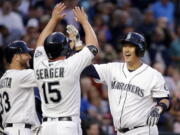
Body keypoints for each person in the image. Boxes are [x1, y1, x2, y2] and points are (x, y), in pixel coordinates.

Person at [83, 32, 170, 135]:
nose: (126, 49)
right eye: (125, 46)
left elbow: (165, 99)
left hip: (143, 130)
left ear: (140, 49)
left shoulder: (153, 75)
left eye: (131, 46)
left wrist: (158, 109)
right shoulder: (113, 69)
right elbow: (86, 68)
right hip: (120, 132)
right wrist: (78, 45)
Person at [33, 3, 98, 135]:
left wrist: (53, 20)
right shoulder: (70, 65)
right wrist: (85, 22)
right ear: (64, 49)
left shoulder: (39, 64)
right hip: (66, 126)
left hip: (46, 126)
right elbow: (93, 47)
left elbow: (40, 43)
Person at [0, 40, 40, 135]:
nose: (29, 57)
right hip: (20, 129)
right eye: (26, 54)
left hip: (9, 129)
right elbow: (46, 75)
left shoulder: (2, 79)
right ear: (16, 57)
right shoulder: (21, 75)